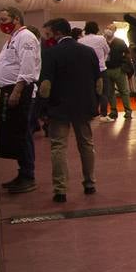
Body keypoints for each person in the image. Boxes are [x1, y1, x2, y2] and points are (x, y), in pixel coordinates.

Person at [37, 18, 102, 203]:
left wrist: (43, 108)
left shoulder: (51, 54)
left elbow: (45, 85)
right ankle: (90, 183)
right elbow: (98, 82)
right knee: (86, 144)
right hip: (84, 105)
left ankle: (60, 189)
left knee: (59, 146)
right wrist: (95, 102)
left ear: (57, 33)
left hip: (59, 106)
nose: (47, 38)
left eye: (48, 34)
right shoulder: (89, 52)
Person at [0, 5, 41, 192]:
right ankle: (22, 172)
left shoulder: (26, 38)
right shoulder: (13, 39)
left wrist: (17, 91)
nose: (2, 24)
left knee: (22, 132)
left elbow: (27, 69)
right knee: (16, 133)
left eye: (4, 20)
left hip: (19, 91)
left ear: (16, 18)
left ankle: (27, 174)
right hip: (9, 90)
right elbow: (10, 63)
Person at [79, 21, 110, 117]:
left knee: (90, 92)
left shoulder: (81, 41)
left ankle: (92, 112)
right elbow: (107, 50)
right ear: (96, 29)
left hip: (87, 71)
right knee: (104, 93)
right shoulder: (101, 39)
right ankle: (103, 114)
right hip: (101, 69)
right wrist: (102, 59)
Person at [103, 26, 133, 120]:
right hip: (106, 69)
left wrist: (125, 65)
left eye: (110, 29)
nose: (108, 30)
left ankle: (128, 111)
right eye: (107, 28)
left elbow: (127, 54)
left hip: (119, 69)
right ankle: (113, 111)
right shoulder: (102, 41)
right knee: (110, 92)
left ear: (114, 31)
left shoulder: (120, 41)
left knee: (124, 91)